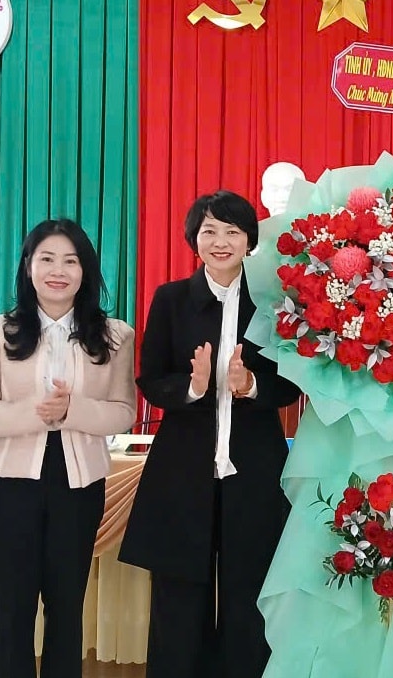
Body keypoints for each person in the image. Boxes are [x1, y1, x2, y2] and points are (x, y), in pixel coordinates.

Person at [118, 190, 300, 678]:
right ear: (194, 239)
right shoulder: (171, 299)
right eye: (210, 231)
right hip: (183, 468)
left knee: (249, 595)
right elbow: (151, 378)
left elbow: (291, 384)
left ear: (249, 241)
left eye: (233, 231)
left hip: (254, 468)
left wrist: (251, 384)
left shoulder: (272, 303)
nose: (221, 242)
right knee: (178, 597)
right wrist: (193, 387)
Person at [0, 219, 136, 677]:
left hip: (80, 484)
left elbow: (123, 412)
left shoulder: (116, 335)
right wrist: (38, 412)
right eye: (47, 259)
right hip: (9, 484)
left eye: (70, 261)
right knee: (12, 608)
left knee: (66, 605)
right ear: (28, 267)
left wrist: (72, 410)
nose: (58, 271)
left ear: (85, 270)